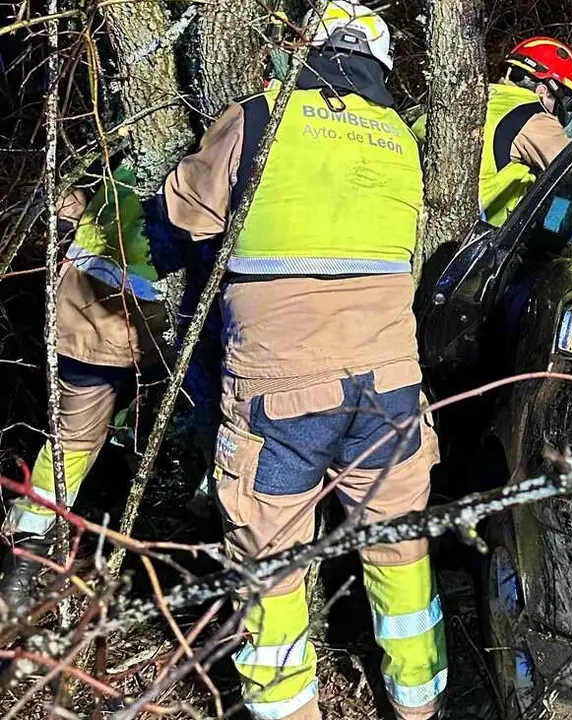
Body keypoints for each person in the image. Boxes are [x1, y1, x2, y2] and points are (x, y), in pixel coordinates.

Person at [144, 3, 445, 718]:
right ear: (380, 67)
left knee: (271, 569)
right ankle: (420, 705)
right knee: (400, 551)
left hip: (280, 394)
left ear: (302, 50)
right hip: (391, 385)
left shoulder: (259, 116)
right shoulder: (401, 135)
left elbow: (182, 213)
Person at [1, 165, 169, 603]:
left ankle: (23, 568)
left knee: (73, 441)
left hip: (84, 314)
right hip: (161, 324)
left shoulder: (126, 131)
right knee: (176, 427)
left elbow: (67, 196)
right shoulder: (233, 133)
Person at [476, 37, 572, 226]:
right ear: (544, 90)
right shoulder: (529, 114)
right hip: (478, 237)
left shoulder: (468, 101)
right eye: (564, 105)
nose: (559, 117)